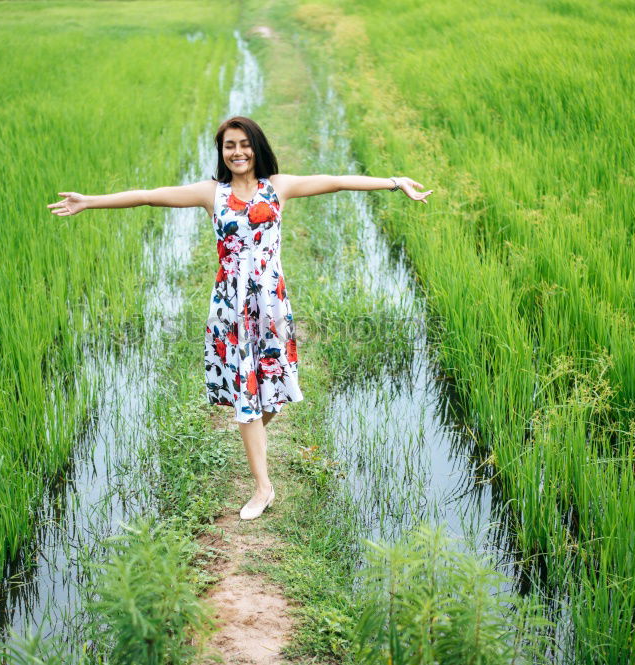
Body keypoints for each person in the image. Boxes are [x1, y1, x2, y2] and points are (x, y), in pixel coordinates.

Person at [48, 116, 432, 520]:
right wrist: (90, 201)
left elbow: (335, 179)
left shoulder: (278, 187)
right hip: (231, 308)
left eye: (244, 144)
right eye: (229, 146)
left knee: (275, 391)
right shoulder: (211, 193)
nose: (237, 152)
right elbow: (149, 195)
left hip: (271, 303)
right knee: (248, 398)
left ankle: (254, 435)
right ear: (222, 152)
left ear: (257, 147)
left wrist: (394, 182)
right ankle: (263, 487)